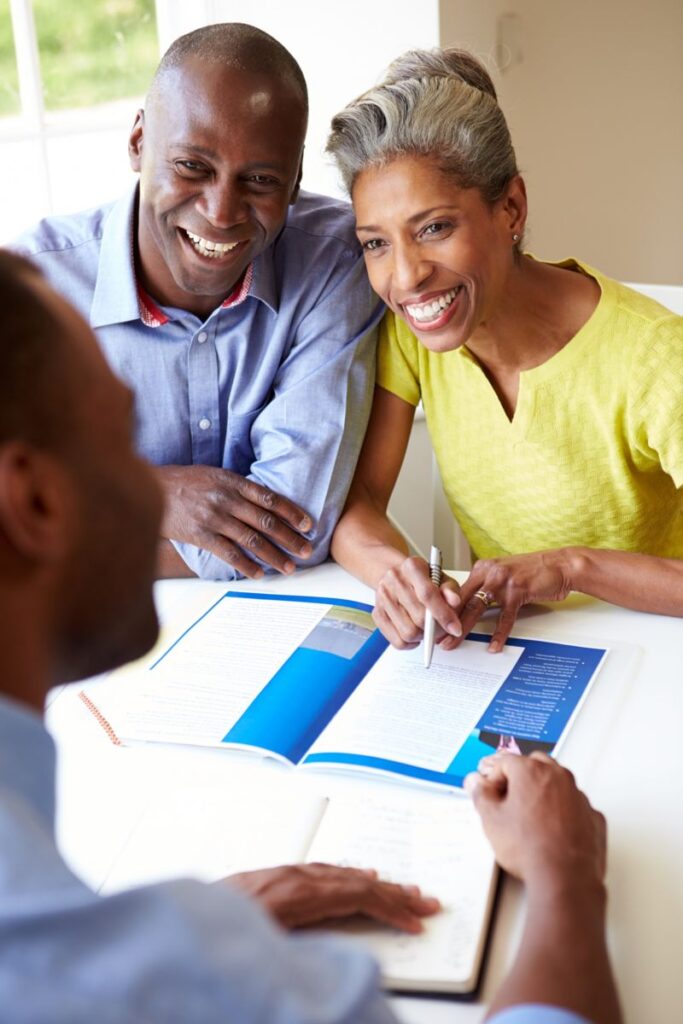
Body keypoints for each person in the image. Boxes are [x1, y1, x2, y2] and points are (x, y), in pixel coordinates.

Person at [0, 250, 621, 1022]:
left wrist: (186, 930)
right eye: (122, 437)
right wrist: (567, 877)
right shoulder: (215, 990)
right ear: (32, 500)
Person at [326, 47, 683, 652]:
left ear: (510, 208)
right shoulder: (415, 337)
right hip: (512, 657)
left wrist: (570, 569)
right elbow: (357, 503)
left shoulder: (655, 360)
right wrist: (394, 575)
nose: (406, 277)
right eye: (375, 244)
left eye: (434, 228)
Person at [12, 22, 383, 583]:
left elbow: (289, 532)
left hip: (272, 622)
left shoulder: (336, 263)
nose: (221, 210)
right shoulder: (32, 287)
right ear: (139, 143)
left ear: (296, 178)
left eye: (260, 179)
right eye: (192, 167)